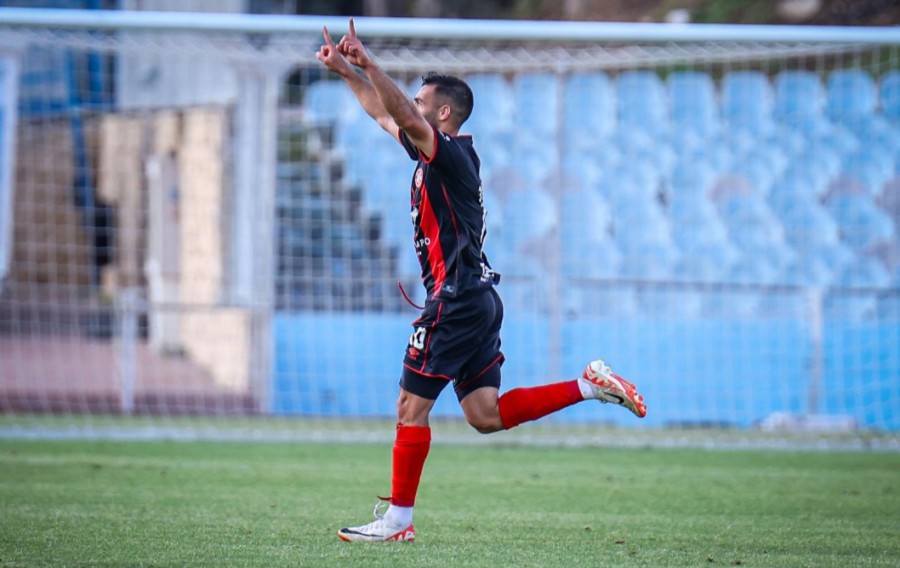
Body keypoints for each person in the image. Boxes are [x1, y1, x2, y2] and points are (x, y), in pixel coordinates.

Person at [315, 18, 647, 543]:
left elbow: (400, 112)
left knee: (409, 408)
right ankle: (589, 384)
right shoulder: (431, 151)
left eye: (421, 102)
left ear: (443, 114)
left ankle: (398, 521)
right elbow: (384, 113)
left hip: (456, 300)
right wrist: (345, 72)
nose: (412, 107)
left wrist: (370, 63)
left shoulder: (451, 155)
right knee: (484, 414)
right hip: (477, 298)